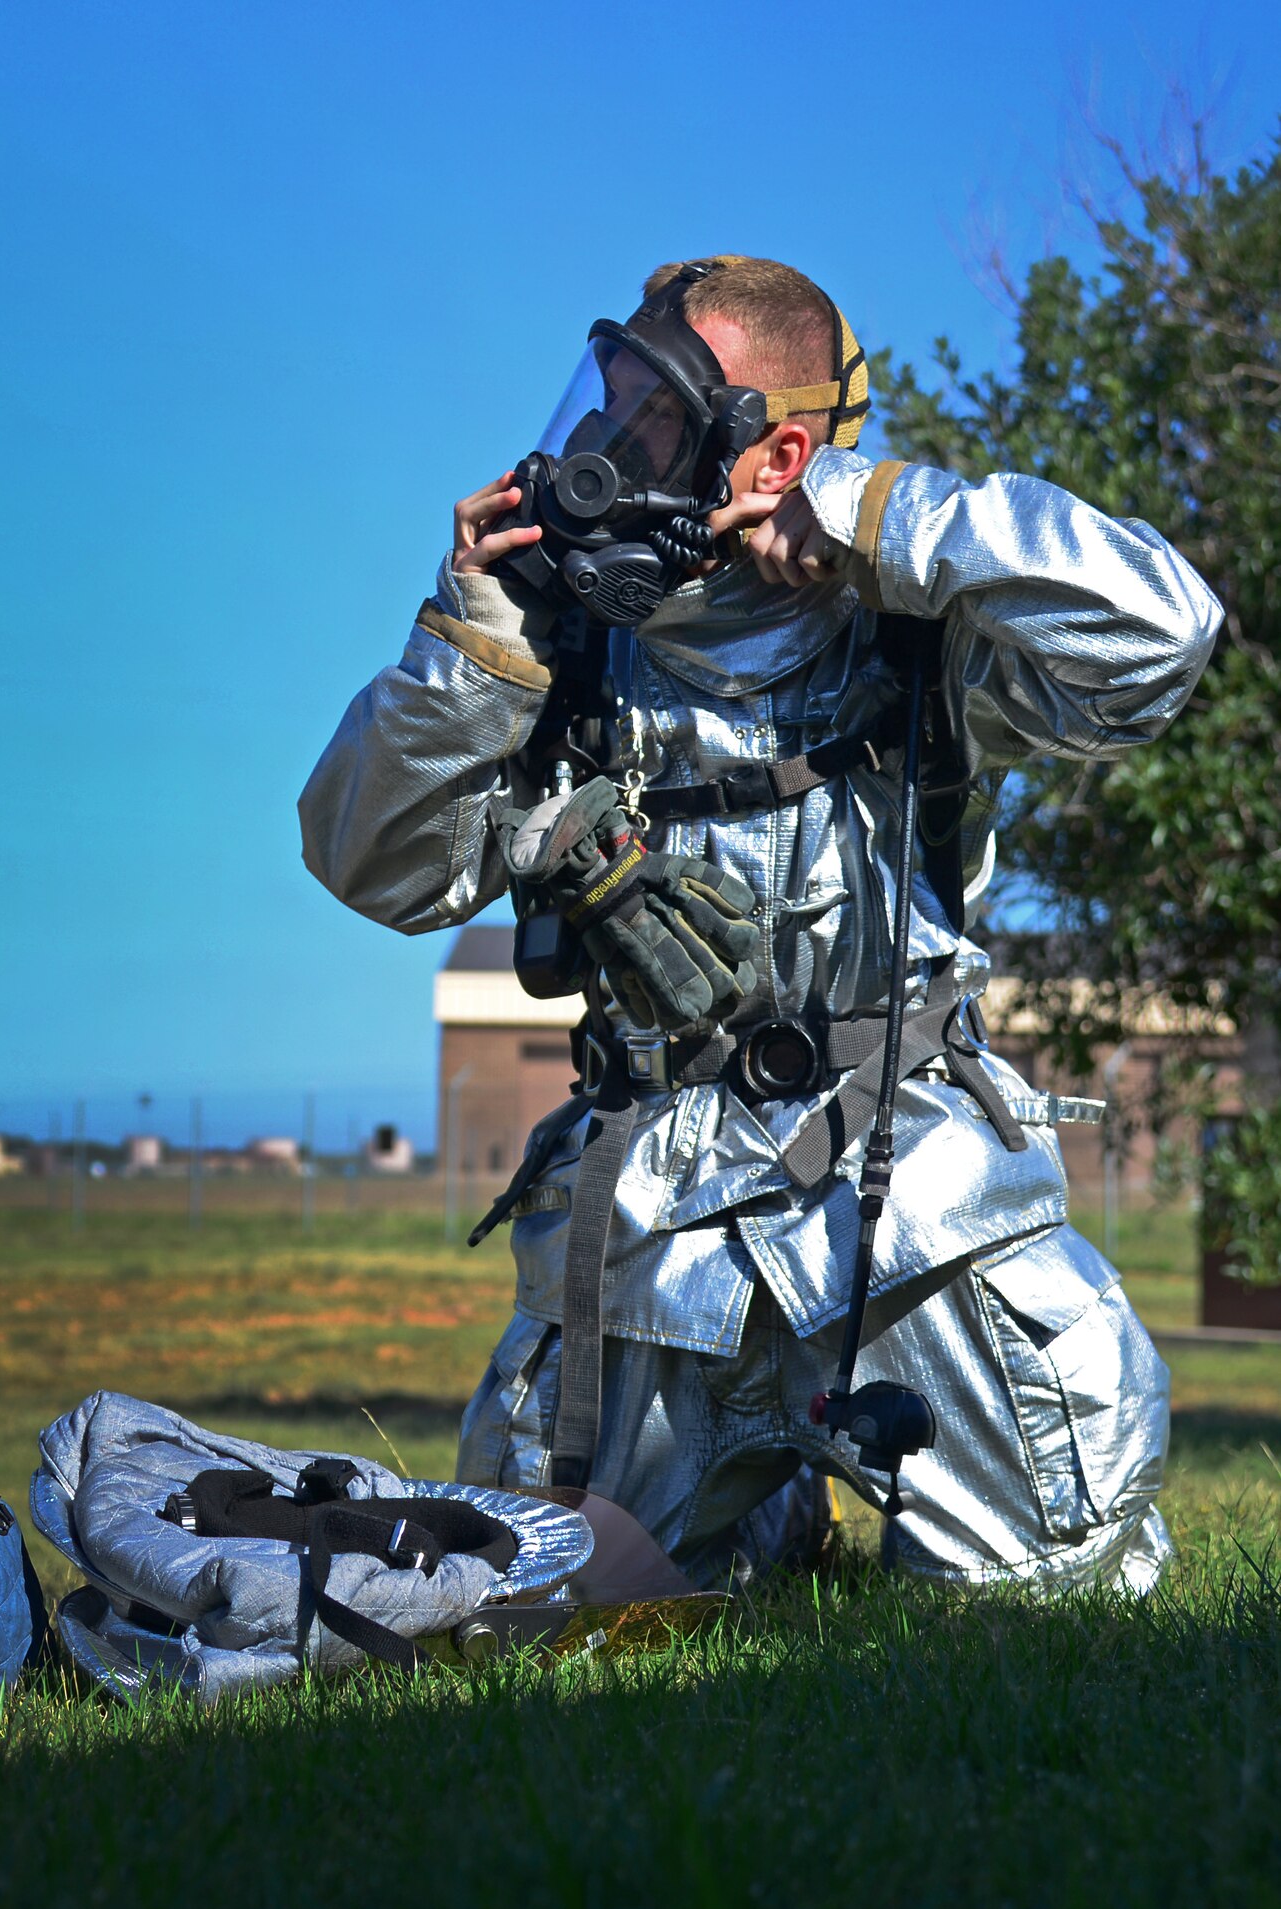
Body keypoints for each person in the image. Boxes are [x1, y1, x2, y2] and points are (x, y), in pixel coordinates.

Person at [299, 255, 1221, 1591]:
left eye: (654, 421)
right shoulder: (560, 659)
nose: (604, 449)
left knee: (1061, 1576)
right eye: (603, 405)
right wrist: (476, 640)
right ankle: (761, 1503)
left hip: (901, 1203)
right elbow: (371, 869)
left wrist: (874, 518)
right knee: (511, 1596)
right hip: (645, 1226)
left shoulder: (911, 635)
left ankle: (836, 1473)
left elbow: (1164, 633)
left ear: (773, 450)